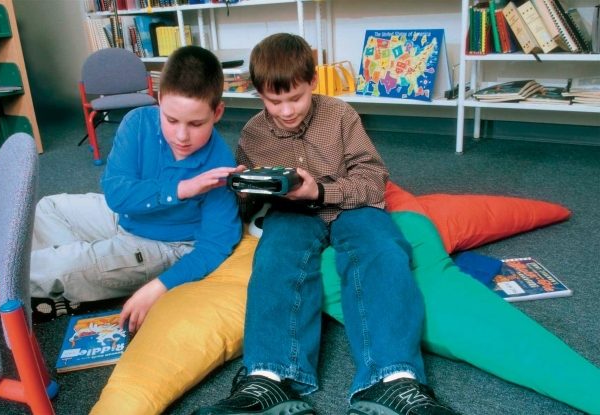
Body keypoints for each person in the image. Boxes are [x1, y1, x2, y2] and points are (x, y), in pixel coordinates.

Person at [192, 33, 460, 415]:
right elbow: (247, 202)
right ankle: (269, 380)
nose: (286, 110)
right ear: (258, 94)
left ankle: (394, 381)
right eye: (274, 101)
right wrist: (242, 188)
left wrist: (318, 190)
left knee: (384, 252)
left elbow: (372, 181)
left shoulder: (340, 115)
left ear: (313, 83)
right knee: (274, 258)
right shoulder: (252, 133)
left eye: (295, 98)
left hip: (350, 204)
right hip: (290, 213)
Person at [0, 46, 242, 332]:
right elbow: (116, 195)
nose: (181, 136)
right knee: (48, 207)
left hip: (168, 246)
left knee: (66, 265)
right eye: (171, 119)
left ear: (217, 113)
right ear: (159, 99)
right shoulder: (137, 122)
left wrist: (160, 286)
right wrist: (181, 189)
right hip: (125, 216)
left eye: (196, 124)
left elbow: (216, 246)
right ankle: (63, 280)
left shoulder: (220, 164)